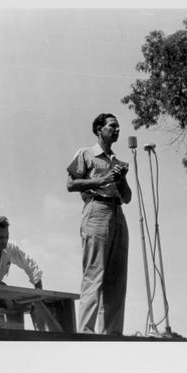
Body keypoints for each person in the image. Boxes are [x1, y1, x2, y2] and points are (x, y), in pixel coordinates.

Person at [66, 113, 132, 335]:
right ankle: (86, 333)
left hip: (117, 212)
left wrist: (120, 178)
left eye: (118, 127)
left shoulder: (116, 160)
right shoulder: (86, 153)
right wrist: (101, 180)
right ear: (99, 129)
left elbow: (128, 197)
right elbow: (71, 183)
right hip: (97, 209)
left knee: (116, 278)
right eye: (112, 126)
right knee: (94, 273)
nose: (117, 130)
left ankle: (112, 335)